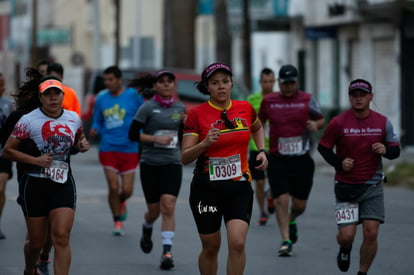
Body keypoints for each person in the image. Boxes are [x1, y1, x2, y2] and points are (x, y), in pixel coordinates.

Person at [181, 62, 268, 275]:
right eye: (215, 83)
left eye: (225, 82)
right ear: (207, 87)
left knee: (237, 243)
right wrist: (204, 144)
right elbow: (185, 157)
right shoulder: (196, 115)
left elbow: (257, 127)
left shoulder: (245, 108)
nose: (221, 87)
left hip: (238, 186)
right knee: (211, 246)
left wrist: (262, 150)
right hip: (206, 190)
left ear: (231, 84)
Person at [2, 74, 89, 275]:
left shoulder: (73, 118)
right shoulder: (28, 120)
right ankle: (29, 269)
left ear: (62, 96)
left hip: (62, 183)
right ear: (40, 97)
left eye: (56, 94)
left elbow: (77, 141)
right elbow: (7, 150)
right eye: (47, 94)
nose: (52, 98)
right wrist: (35, 161)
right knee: (35, 243)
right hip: (35, 184)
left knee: (61, 236)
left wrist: (81, 144)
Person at [318, 79, 400, 275]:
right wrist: (340, 163)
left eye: (362, 95)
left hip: (373, 186)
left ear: (371, 97)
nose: (358, 99)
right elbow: (323, 147)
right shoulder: (338, 122)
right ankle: (345, 248)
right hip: (346, 186)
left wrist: (385, 149)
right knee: (347, 236)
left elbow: (395, 151)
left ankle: (362, 272)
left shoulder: (382, 122)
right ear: (349, 98)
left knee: (371, 232)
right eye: (354, 95)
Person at [258, 64, 325, 256]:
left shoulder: (307, 99)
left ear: (297, 82)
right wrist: (257, 141)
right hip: (278, 158)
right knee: (282, 199)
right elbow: (258, 123)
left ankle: (292, 219)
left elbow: (320, 119)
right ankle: (285, 240)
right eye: (285, 83)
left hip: (301, 159)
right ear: (279, 83)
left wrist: (315, 124)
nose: (288, 86)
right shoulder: (269, 101)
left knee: (299, 205)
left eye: (292, 83)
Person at [129, 70, 185, 270]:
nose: (166, 85)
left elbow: (183, 134)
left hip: (172, 163)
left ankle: (167, 251)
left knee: (168, 206)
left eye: (170, 82)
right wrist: (155, 139)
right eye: (162, 82)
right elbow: (133, 134)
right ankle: (147, 226)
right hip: (150, 164)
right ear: (156, 86)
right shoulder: (147, 108)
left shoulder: (180, 108)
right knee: (154, 211)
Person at [89, 65, 144, 235]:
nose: (107, 83)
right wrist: (95, 128)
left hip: (130, 147)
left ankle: (120, 202)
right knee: (113, 187)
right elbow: (97, 120)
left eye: (111, 79)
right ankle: (117, 220)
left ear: (119, 80)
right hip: (108, 147)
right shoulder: (101, 98)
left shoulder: (133, 96)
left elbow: (143, 115)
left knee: (126, 191)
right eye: (105, 80)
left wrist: (143, 131)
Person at [247, 67, 275, 226]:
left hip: (275, 146)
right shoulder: (252, 99)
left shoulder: (279, 98)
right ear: (260, 82)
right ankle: (263, 211)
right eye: (265, 82)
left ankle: (271, 195)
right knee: (259, 181)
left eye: (271, 81)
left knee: (274, 179)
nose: (268, 85)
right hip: (256, 146)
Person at [0, 72, 14, 239]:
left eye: (3, 85)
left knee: (1, 187)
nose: (2, 89)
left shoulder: (8, 105)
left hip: (4, 151)